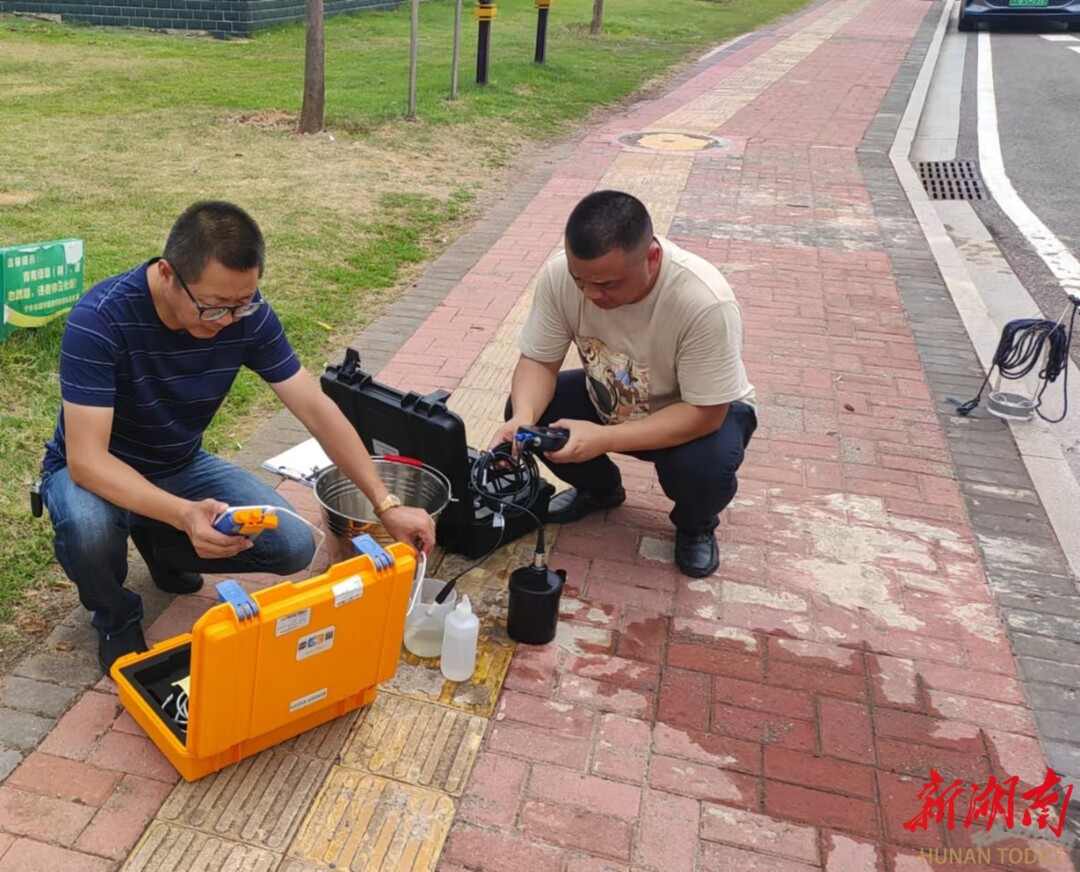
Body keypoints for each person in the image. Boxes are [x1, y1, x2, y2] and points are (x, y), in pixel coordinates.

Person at [39, 201, 436, 671]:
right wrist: (185, 513)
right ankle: (115, 615)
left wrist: (384, 505)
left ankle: (162, 546)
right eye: (214, 307)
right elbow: (88, 460)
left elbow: (317, 409)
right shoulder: (100, 320)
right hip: (97, 471)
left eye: (242, 303)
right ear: (167, 273)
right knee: (88, 529)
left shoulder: (247, 314)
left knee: (292, 544)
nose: (229, 319)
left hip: (179, 464)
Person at [491, 190, 756, 578]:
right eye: (581, 281)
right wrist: (524, 419)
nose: (592, 294)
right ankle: (601, 491)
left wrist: (602, 438)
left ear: (651, 258)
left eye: (608, 284)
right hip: (612, 394)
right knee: (525, 413)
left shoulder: (702, 300)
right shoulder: (559, 275)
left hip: (695, 411)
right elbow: (538, 361)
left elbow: (706, 415)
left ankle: (695, 524)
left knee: (703, 468)